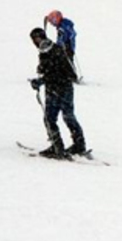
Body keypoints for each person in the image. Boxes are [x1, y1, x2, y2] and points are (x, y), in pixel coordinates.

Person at [28, 27, 87, 159]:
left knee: (64, 117)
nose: (35, 42)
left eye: (36, 39)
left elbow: (69, 74)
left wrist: (42, 80)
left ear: (42, 36)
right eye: (33, 40)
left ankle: (74, 145)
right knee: (54, 118)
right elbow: (47, 70)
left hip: (62, 89)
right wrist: (40, 75)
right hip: (53, 89)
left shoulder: (56, 51)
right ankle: (61, 145)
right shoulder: (44, 52)